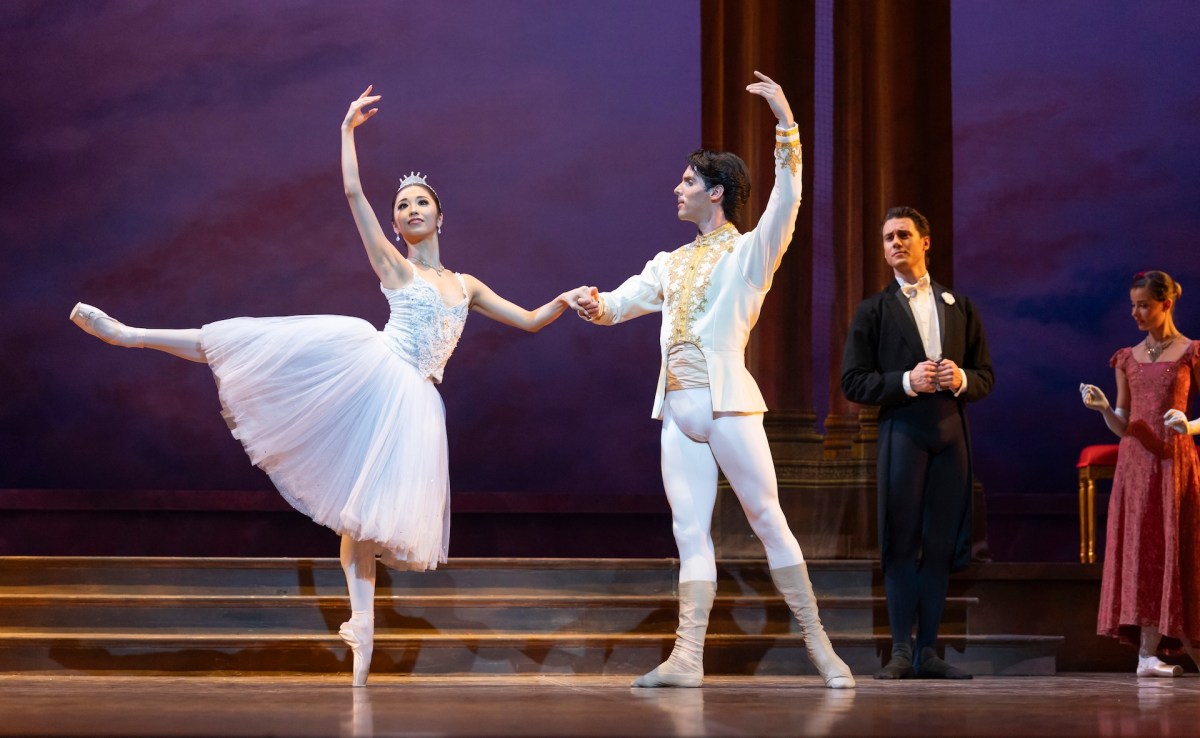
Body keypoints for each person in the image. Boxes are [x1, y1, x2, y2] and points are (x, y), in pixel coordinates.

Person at [69, 86, 588, 687]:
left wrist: (563, 300)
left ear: (441, 217)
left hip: (415, 399)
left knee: (361, 519)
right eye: (402, 208)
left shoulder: (467, 284)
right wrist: (347, 131)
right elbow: (352, 194)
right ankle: (130, 334)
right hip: (373, 370)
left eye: (421, 203)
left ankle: (362, 629)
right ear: (395, 228)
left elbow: (526, 319)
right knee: (247, 342)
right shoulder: (397, 267)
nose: (410, 211)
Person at [575, 72, 854, 689]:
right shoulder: (669, 263)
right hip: (678, 413)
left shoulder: (749, 253)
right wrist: (594, 303)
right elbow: (622, 302)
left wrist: (786, 124)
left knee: (766, 516)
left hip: (728, 406)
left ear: (717, 192)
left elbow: (788, 200)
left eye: (688, 181)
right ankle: (686, 658)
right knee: (688, 531)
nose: (677, 189)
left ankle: (820, 647)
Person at [840, 206, 993, 680]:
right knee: (901, 539)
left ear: (926, 242)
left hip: (950, 433)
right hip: (903, 431)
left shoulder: (959, 305)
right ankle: (901, 651)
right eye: (887, 238)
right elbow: (853, 381)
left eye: (904, 235)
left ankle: (929, 650)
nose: (895, 244)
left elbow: (986, 376)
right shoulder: (874, 310)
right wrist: (907, 380)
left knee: (940, 542)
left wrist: (961, 377)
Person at [1080, 269, 1200, 677]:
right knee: (1142, 550)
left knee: (1175, 545)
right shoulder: (1126, 358)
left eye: (1144, 304)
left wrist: (1191, 424)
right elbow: (1125, 422)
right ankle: (1146, 654)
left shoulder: (1191, 353)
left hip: (1174, 460)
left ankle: (1182, 638)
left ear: (1166, 303)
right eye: (1132, 304)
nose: (1135, 312)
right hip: (1136, 463)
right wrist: (1102, 411)